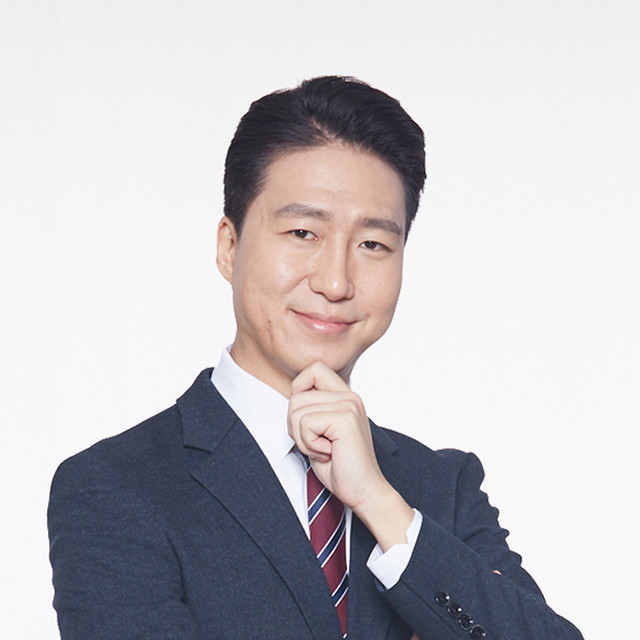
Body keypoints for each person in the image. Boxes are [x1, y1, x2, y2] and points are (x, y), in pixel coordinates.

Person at [48, 76, 583, 640]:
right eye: (303, 232)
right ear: (229, 246)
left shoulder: (438, 489)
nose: (335, 282)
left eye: (373, 244)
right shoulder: (116, 488)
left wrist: (380, 503)